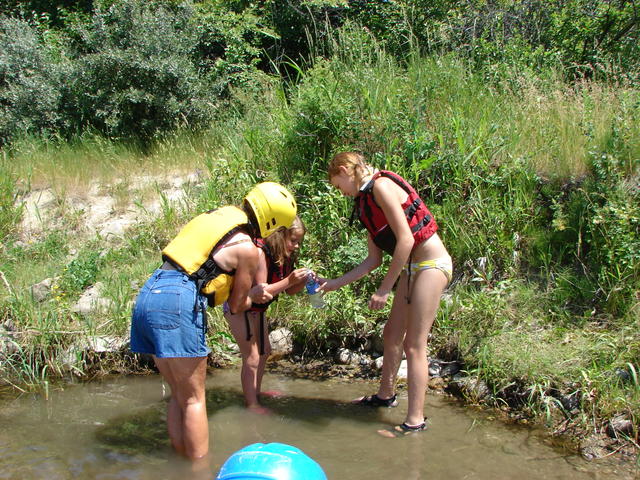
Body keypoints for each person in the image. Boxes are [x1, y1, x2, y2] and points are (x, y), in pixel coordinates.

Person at [130, 182, 297, 465]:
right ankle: (199, 471)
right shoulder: (248, 248)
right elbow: (237, 305)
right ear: (272, 222)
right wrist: (253, 296)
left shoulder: (216, 216)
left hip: (149, 292)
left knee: (179, 395)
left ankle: (181, 464)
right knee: (195, 399)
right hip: (178, 299)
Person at [320, 152, 452, 435]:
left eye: (337, 184)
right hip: (412, 269)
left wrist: (384, 290)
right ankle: (385, 396)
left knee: (415, 345)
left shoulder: (380, 186)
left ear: (345, 170)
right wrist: (334, 283)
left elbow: (406, 239)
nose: (339, 192)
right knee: (392, 334)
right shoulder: (365, 201)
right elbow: (373, 260)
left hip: (430, 265)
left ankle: (415, 421)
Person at [224, 216, 308, 413]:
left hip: (257, 310)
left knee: (264, 352)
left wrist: (301, 282)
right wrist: (290, 280)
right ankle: (251, 404)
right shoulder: (261, 254)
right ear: (280, 236)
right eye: (293, 240)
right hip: (240, 307)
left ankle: (255, 392)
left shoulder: (284, 257)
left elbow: (288, 291)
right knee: (252, 356)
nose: (296, 246)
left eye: (299, 242)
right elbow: (263, 292)